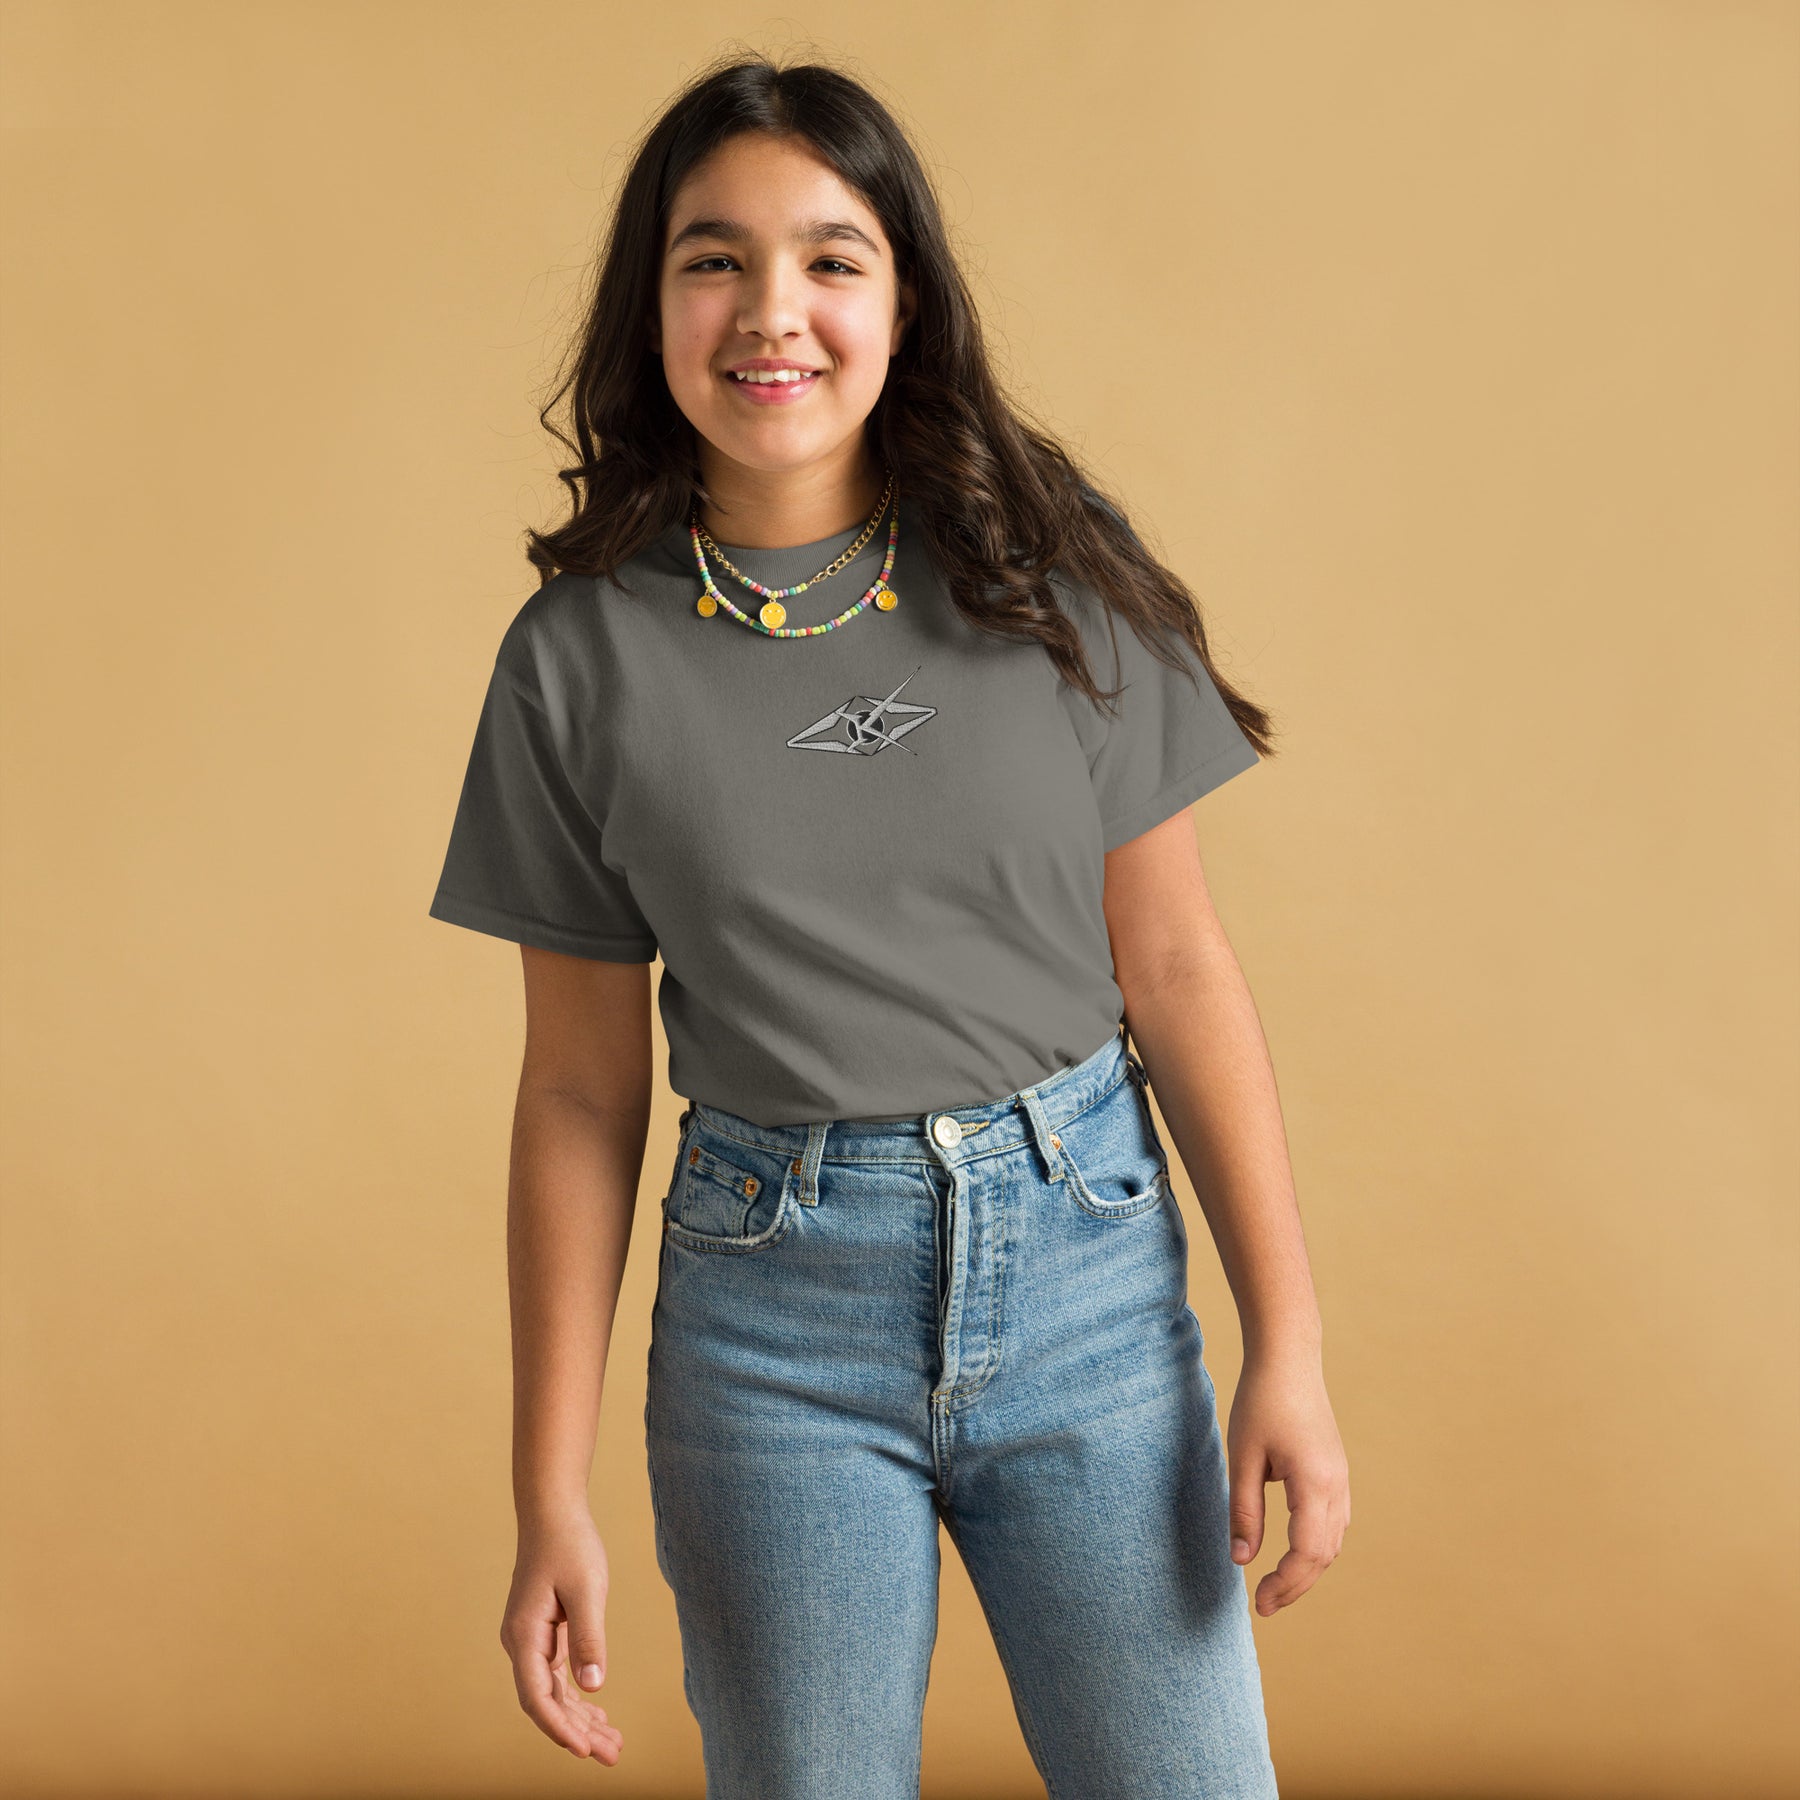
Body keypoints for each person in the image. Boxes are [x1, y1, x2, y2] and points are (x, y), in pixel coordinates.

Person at [427, 52, 1349, 1799]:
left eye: (830, 258)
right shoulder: (575, 660)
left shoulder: (1047, 571)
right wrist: (548, 1491)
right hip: (770, 1324)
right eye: (714, 259)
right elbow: (577, 1092)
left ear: (904, 301)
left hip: (1087, 1275)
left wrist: (1285, 1346)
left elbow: (1174, 968)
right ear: (650, 305)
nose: (771, 310)